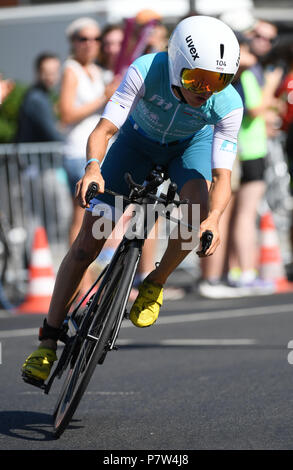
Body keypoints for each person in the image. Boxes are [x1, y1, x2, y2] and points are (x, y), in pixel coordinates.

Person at [22, 15, 243, 384]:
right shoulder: (145, 69)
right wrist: (93, 168)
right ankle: (48, 340)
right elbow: (105, 129)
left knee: (196, 209)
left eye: (218, 80)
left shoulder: (228, 104)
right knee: (86, 245)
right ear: (176, 65)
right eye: (196, 78)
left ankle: (155, 281)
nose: (206, 90)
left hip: (187, 149)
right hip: (135, 145)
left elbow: (222, 176)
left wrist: (214, 218)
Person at [60, 17, 120, 248]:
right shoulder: (71, 70)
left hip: (98, 150)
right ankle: (79, 282)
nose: (91, 43)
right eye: (83, 38)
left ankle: (90, 276)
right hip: (78, 151)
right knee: (83, 215)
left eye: (96, 39)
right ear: (73, 41)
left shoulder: (98, 70)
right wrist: (102, 98)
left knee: (102, 215)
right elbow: (66, 114)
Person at [16, 53, 63, 143]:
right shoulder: (36, 99)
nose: (51, 77)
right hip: (32, 154)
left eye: (54, 72)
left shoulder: (42, 96)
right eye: (47, 72)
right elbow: (53, 135)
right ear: (38, 72)